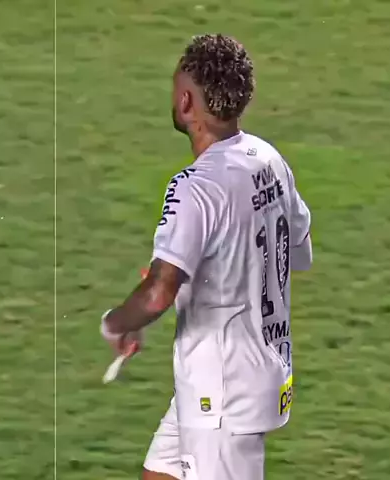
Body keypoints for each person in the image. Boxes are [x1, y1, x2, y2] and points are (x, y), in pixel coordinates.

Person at [101, 33, 312, 480]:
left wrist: (116, 323)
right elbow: (293, 251)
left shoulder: (196, 187)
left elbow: (158, 293)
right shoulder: (268, 160)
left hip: (222, 395)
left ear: (186, 102)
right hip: (238, 375)